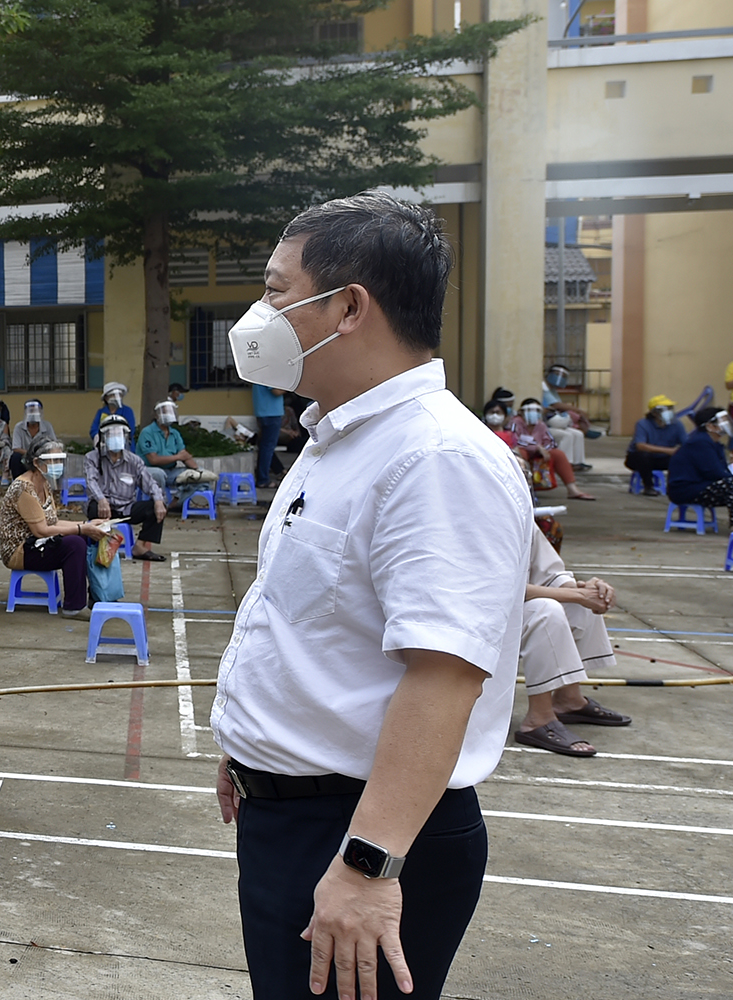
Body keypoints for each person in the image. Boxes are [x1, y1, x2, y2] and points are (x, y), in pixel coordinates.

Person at [212, 192, 532, 1000]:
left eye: (278, 291)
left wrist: (367, 865)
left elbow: (445, 674)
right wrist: (252, 752)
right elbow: (312, 625)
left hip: (361, 835)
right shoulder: (340, 439)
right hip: (293, 815)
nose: (262, 312)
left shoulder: (435, 459)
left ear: (349, 307)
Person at [515, 528, 630, 757]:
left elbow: (549, 572)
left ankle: (569, 699)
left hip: (504, 607)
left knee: (579, 603)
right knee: (546, 610)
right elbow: (498, 585)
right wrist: (577, 595)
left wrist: (583, 590)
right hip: (470, 615)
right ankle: (538, 719)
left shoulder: (515, 500)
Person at [0, 436, 109, 619]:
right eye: (53, 461)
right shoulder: (24, 488)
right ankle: (74, 607)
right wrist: (81, 529)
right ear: (36, 462)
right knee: (75, 544)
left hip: (38, 543)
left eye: (59, 460)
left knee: (84, 538)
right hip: (20, 550)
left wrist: (87, 525)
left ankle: (98, 596)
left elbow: (54, 522)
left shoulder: (44, 483)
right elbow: (41, 530)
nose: (58, 464)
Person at [83, 412, 167, 561]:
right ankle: (99, 546)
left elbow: (149, 482)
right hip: (103, 507)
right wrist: (101, 499)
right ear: (103, 438)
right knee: (95, 507)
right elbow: (91, 481)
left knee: (156, 506)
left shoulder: (134, 461)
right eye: (111, 434)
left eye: (119, 433)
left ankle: (140, 546)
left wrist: (159, 500)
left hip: (126, 507)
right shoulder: (92, 457)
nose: (116, 437)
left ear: (126, 437)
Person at [506, 398, 595, 500]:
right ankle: (523, 488)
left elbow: (550, 441)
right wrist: (536, 447)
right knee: (521, 454)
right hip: (522, 450)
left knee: (558, 454)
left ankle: (572, 489)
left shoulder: (540, 424)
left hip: (538, 452)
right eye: (530, 410)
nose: (534, 413)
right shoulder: (516, 422)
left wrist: (544, 450)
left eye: (537, 410)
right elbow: (514, 441)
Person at [136, 400, 212, 501]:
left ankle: (175, 502)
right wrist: (178, 457)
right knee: (158, 473)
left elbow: (184, 455)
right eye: (164, 412)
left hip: (170, 471)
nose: (168, 414)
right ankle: (160, 502)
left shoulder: (175, 433)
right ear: (156, 415)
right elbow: (153, 460)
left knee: (200, 478)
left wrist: (198, 470)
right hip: (148, 470)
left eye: (170, 411)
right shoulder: (147, 432)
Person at [668, 407, 733, 512]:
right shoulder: (700, 443)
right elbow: (714, 473)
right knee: (731, 485)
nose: (727, 423)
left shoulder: (714, 443)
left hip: (702, 485)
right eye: (723, 420)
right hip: (686, 490)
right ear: (710, 426)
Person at [624, 394, 687, 495]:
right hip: (639, 459)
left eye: (670, 408)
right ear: (654, 412)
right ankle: (648, 486)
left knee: (682, 458)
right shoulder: (643, 424)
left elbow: (686, 443)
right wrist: (668, 451)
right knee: (643, 456)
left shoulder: (677, 425)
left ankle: (673, 486)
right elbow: (640, 446)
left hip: (663, 459)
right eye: (665, 409)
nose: (669, 412)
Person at [9, 398, 56, 479]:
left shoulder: (47, 426)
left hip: (43, 458)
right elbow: (16, 448)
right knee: (15, 457)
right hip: (25, 457)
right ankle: (18, 481)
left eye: (36, 411)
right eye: (30, 411)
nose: (33, 414)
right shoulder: (19, 427)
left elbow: (54, 444)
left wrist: (41, 455)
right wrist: (31, 454)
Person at [251, 383, 286, 489]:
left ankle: (278, 471)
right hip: (272, 413)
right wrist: (291, 387)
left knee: (265, 446)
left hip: (262, 412)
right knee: (268, 448)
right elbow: (276, 391)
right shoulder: (271, 372)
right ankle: (263, 479)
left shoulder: (258, 372)